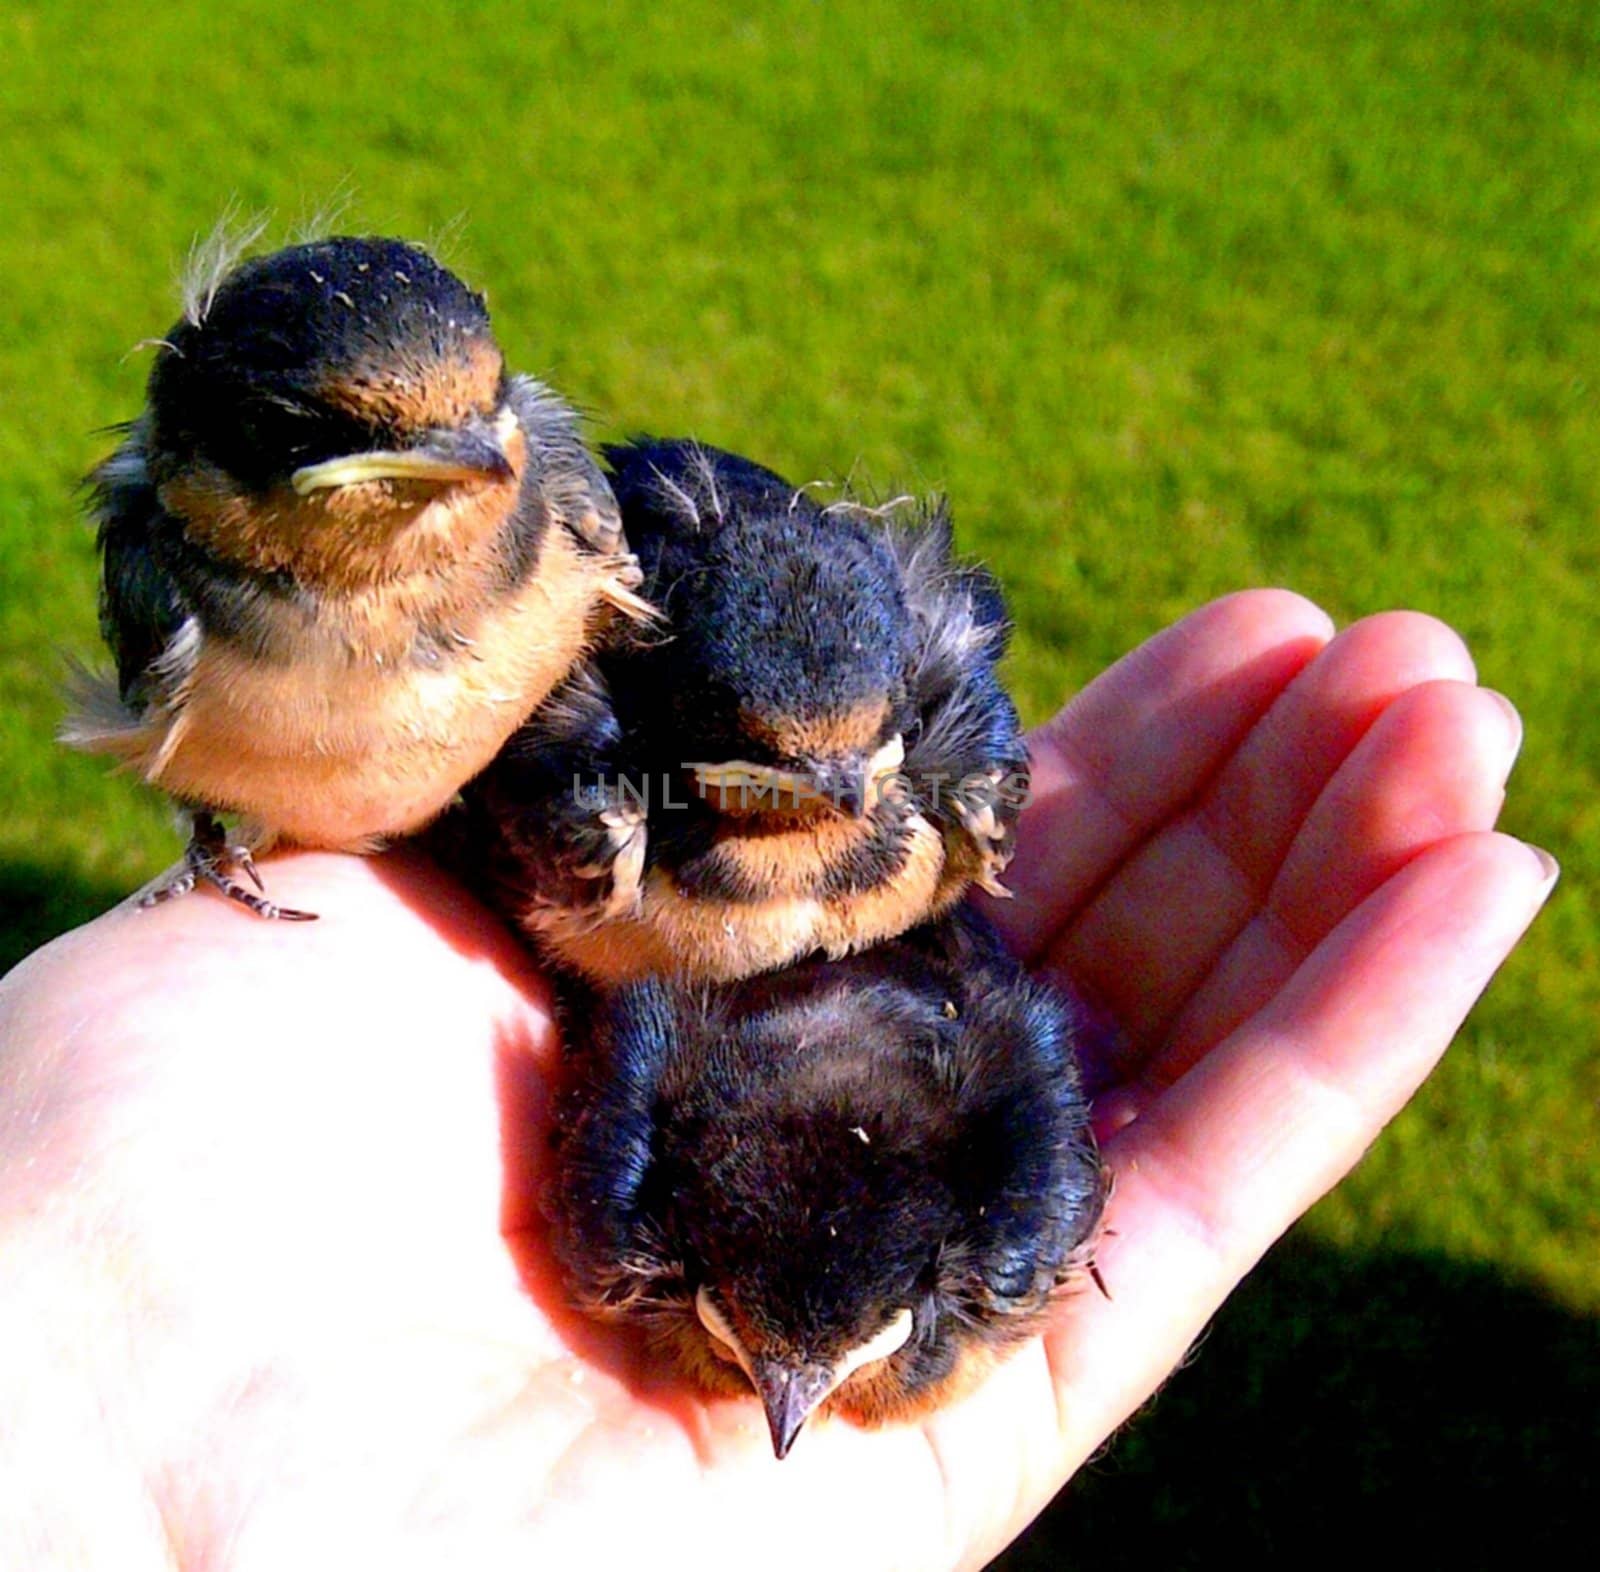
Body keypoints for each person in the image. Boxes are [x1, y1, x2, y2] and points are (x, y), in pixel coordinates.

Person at [0, 591, 1554, 1570]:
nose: (791, 1408)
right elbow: (732, 1025)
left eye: (796, 1373)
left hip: (867, 974)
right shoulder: (667, 1233)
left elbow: (748, 1028)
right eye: (792, 1360)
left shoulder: (674, 1236)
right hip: (876, 969)